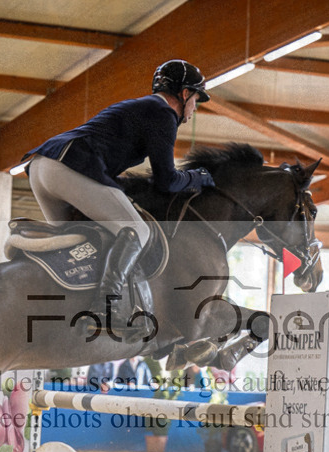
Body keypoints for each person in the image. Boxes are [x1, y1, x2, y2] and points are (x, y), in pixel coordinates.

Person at [24, 59, 216, 340]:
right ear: (185, 94)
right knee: (137, 230)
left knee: (78, 243)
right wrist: (199, 177)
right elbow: (168, 181)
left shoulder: (143, 107)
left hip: (43, 167)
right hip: (67, 167)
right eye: (196, 99)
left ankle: (63, 305)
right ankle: (105, 311)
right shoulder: (162, 113)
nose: (195, 108)